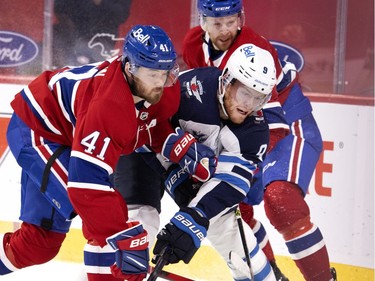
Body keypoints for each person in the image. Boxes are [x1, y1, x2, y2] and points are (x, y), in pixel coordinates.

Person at [0, 24, 216, 281]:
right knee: (102, 219)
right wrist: (120, 234)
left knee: (38, 245)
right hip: (39, 130)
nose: (161, 83)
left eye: (165, 72)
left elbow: (147, 123)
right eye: (153, 74)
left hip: (71, 132)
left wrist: (174, 144)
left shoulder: (163, 90)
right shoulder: (108, 106)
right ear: (129, 68)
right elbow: (86, 187)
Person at [182, 1, 337, 280]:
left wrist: (241, 164)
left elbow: (273, 125)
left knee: (281, 200)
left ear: (240, 17)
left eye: (231, 21)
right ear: (202, 21)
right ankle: (271, 276)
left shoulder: (256, 49)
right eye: (217, 23)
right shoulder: (193, 45)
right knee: (233, 203)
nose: (226, 29)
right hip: (246, 126)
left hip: (287, 124)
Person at [151, 43, 278, 281]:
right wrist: (171, 172)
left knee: (240, 250)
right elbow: (147, 122)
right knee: (141, 218)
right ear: (226, 80)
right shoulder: (189, 89)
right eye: (244, 93)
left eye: (258, 98)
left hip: (204, 180)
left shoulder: (255, 132)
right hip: (148, 158)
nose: (249, 106)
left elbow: (230, 183)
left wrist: (196, 215)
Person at [53, 0, 132, 67]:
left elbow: (122, 14)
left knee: (96, 74)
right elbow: (59, 8)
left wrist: (101, 2)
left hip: (103, 39)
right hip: (72, 37)